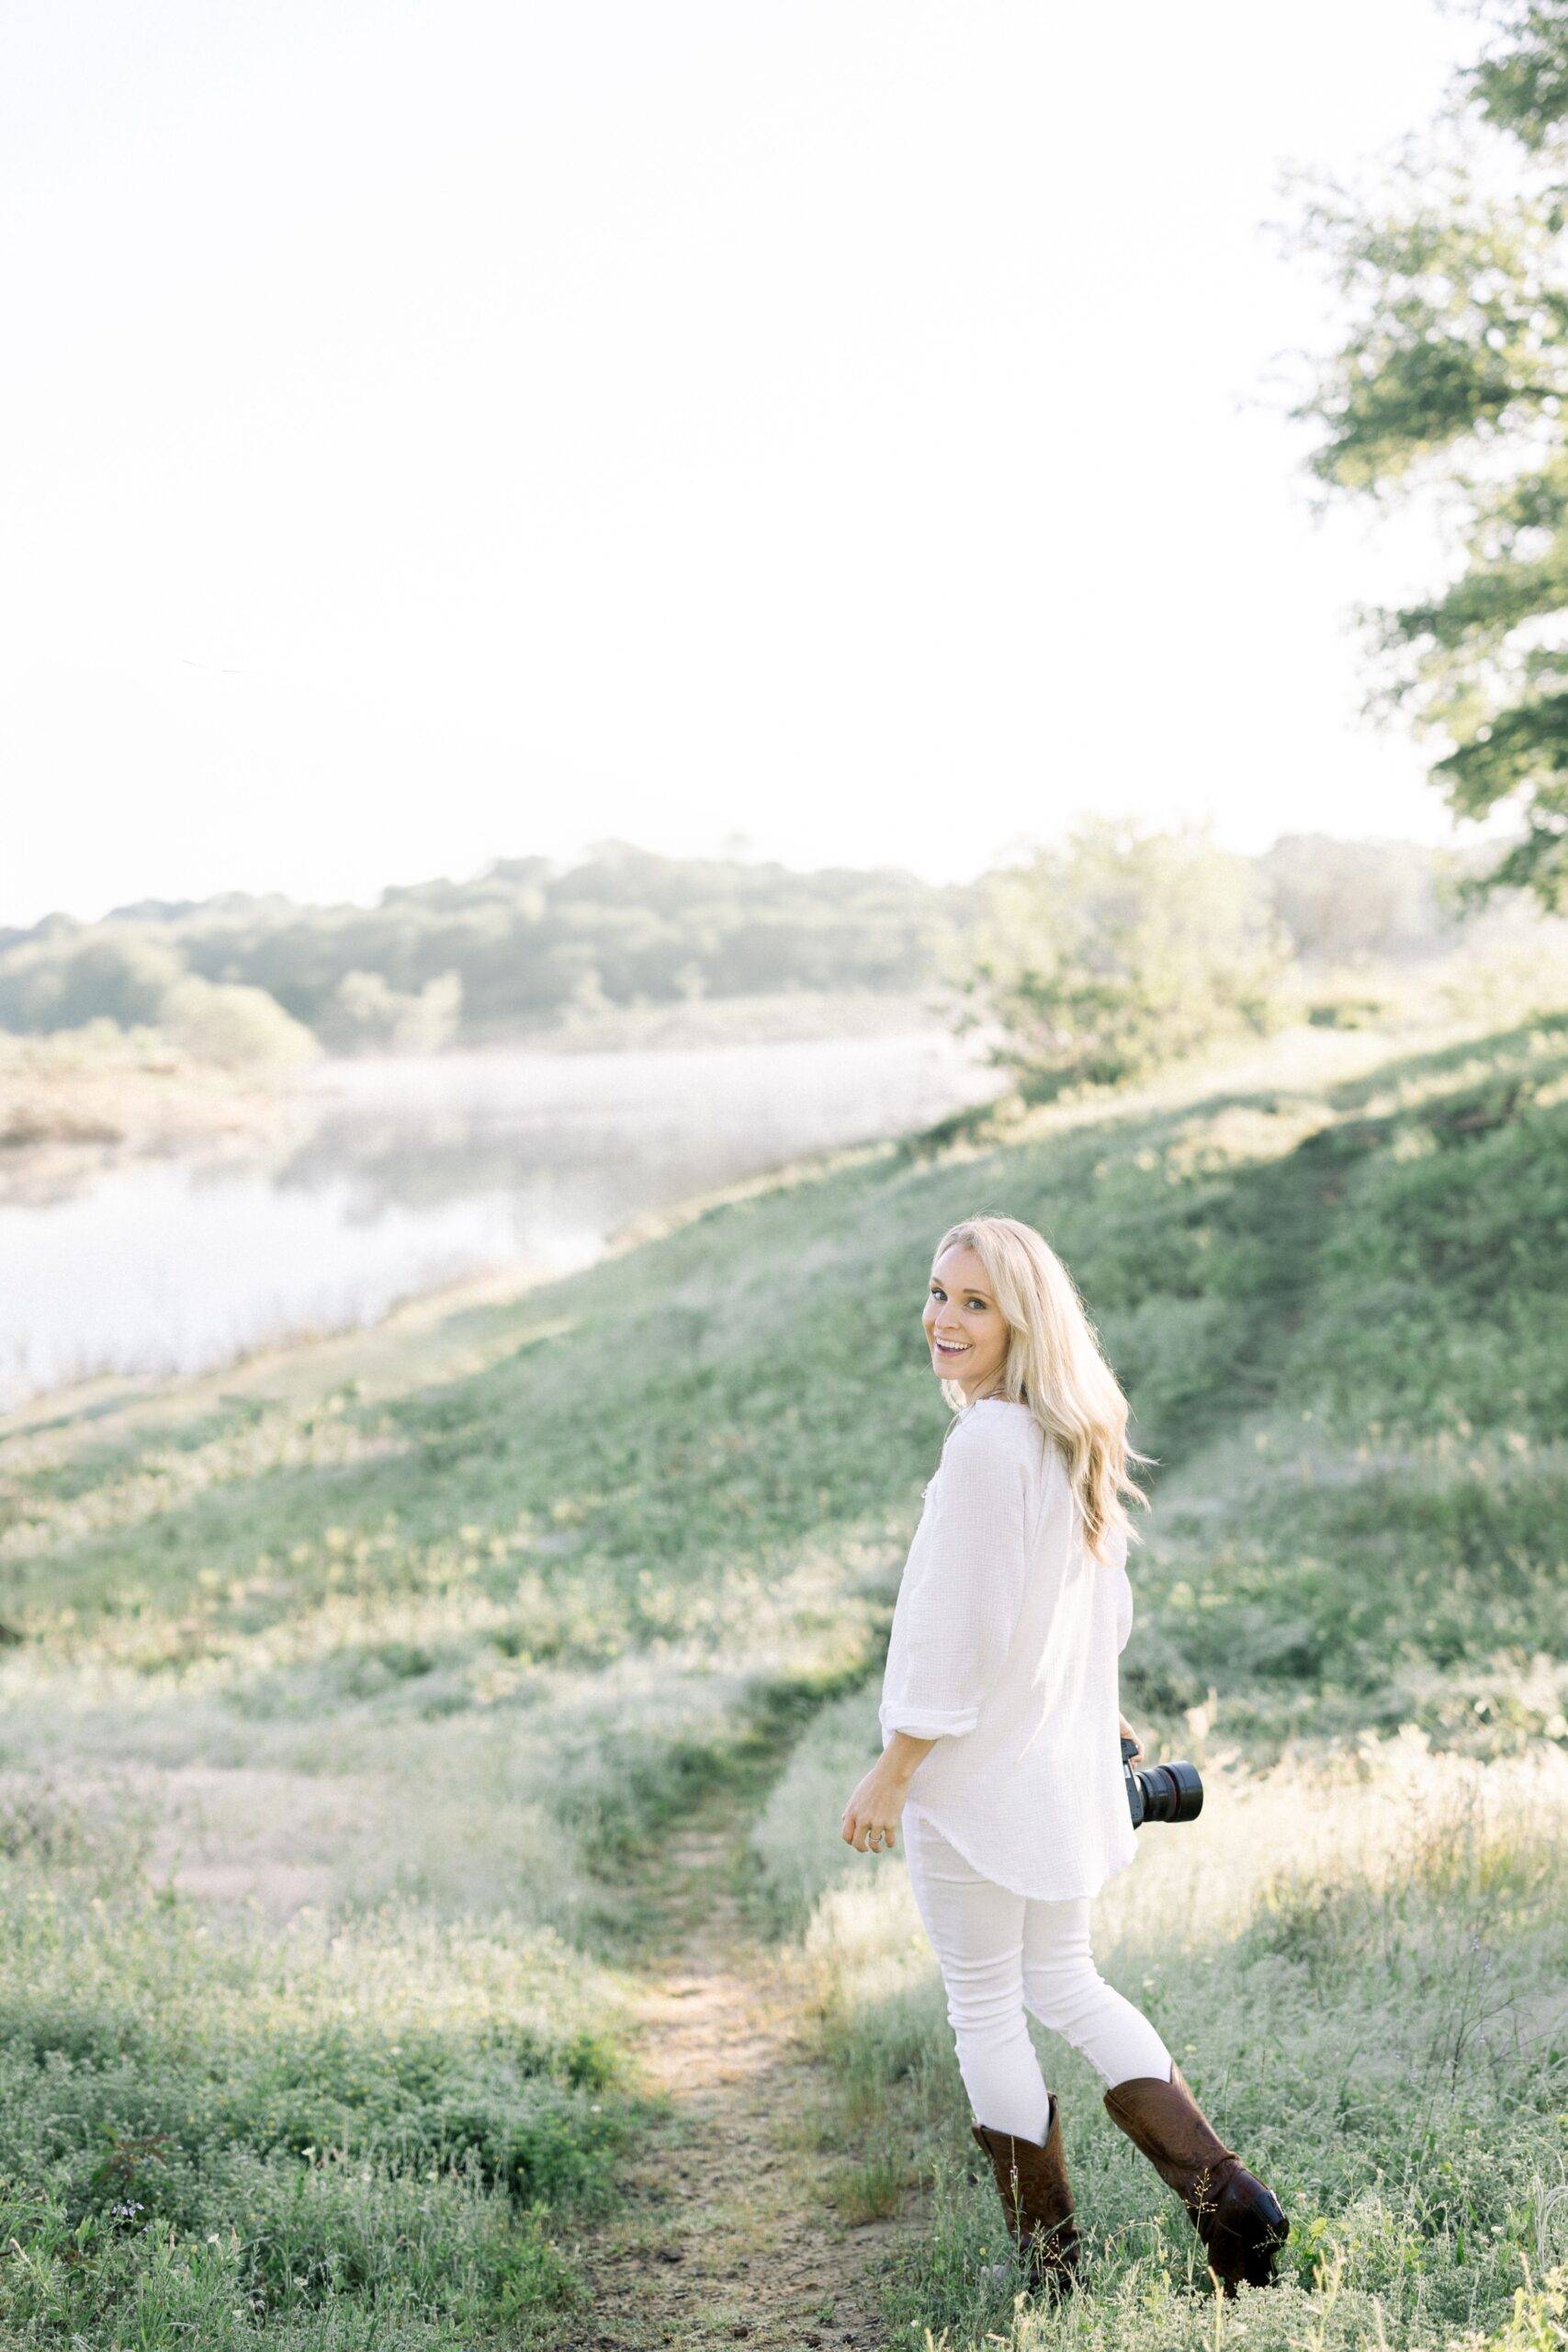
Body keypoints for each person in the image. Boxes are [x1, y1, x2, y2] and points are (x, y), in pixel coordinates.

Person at [840, 1214, 1289, 2300]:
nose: (944, 1318)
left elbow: (961, 1627)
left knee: (988, 2009)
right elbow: (1099, 1606)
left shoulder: (988, 1443)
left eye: (974, 1302)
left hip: (979, 1782)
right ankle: (1232, 2201)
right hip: (1051, 1774)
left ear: (1021, 1320)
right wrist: (1102, 1712)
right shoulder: (1060, 1434)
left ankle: (1053, 2277)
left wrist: (895, 1767)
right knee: (1069, 1982)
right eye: (939, 1292)